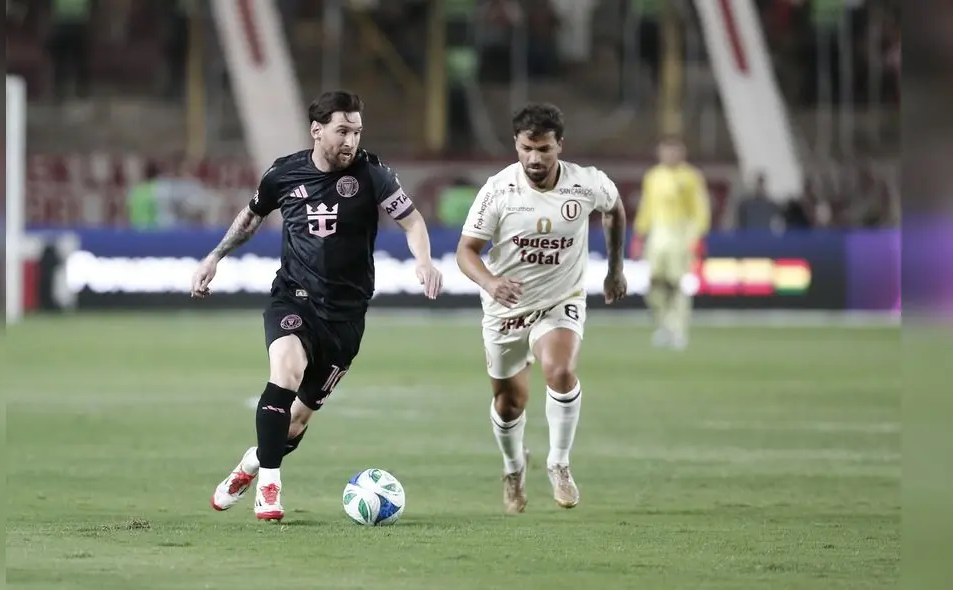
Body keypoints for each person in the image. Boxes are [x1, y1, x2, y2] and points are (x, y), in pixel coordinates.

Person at [190, 91, 444, 521]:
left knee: (295, 422)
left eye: (357, 131)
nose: (351, 141)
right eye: (343, 131)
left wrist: (424, 261)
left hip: (346, 318)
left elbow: (413, 220)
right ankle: (269, 489)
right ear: (317, 130)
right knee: (285, 370)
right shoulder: (284, 174)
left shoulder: (373, 173)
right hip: (294, 298)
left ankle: (252, 463)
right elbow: (251, 216)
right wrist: (215, 256)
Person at [455, 103, 628, 513]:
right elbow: (466, 251)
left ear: (559, 146)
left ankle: (559, 463)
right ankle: (514, 468)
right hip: (507, 308)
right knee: (509, 403)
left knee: (561, 370)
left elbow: (615, 210)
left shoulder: (586, 183)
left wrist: (614, 270)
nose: (534, 158)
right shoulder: (498, 190)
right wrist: (491, 282)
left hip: (560, 300)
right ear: (516, 144)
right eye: (527, 148)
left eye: (544, 149)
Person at [630, 136, 711, 350]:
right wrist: (639, 236)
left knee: (678, 284)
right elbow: (646, 207)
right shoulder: (653, 176)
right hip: (657, 235)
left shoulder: (691, 177)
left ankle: (678, 329)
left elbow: (700, 209)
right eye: (666, 151)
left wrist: (696, 236)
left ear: (681, 153)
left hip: (680, 235)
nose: (670, 156)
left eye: (674, 151)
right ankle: (664, 323)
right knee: (654, 283)